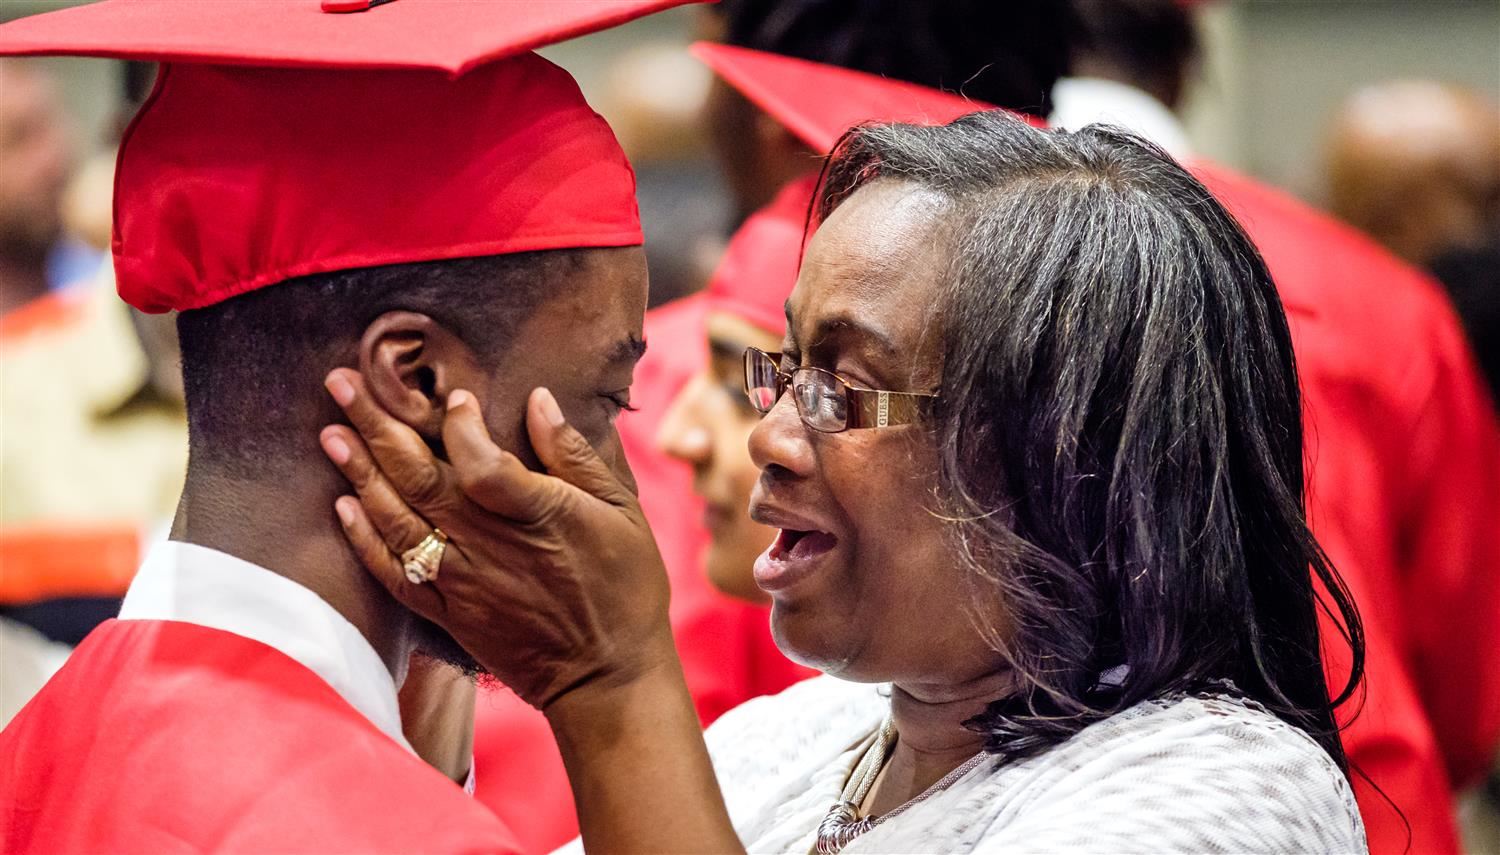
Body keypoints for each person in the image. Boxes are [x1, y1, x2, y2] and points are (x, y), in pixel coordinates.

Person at [325, 109, 1368, 853]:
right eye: (781, 371)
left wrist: (614, 680)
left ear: (1060, 451)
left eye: (844, 386)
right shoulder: (803, 737)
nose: (767, 438)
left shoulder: (1218, 787)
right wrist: (435, 683)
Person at [0, 2, 724, 852]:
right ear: (415, 379)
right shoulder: (378, 832)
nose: (620, 482)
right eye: (606, 401)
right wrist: (620, 674)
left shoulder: (41, 741)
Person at [1048, 8, 1500, 851]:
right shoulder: (1382, 300)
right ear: (1186, 70)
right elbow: (1465, 682)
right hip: (1376, 801)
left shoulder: (889, 277)